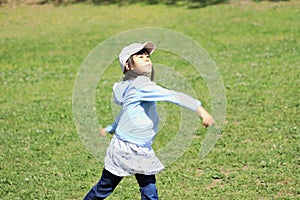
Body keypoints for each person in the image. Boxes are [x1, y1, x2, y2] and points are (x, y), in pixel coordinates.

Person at [84, 41, 214, 200]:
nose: (147, 58)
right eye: (140, 56)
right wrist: (199, 109)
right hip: (125, 149)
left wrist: (111, 128)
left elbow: (127, 113)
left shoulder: (131, 85)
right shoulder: (141, 85)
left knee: (147, 190)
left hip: (136, 148)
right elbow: (172, 95)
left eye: (147, 56)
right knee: (106, 188)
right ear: (128, 66)